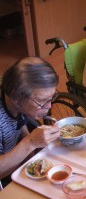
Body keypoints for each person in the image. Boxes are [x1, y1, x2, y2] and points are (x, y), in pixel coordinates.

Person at [0, 57, 60, 188]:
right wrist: (31, 142)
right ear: (16, 97)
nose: (49, 106)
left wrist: (33, 159)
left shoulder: (17, 101)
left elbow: (20, 125)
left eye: (51, 98)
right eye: (43, 100)